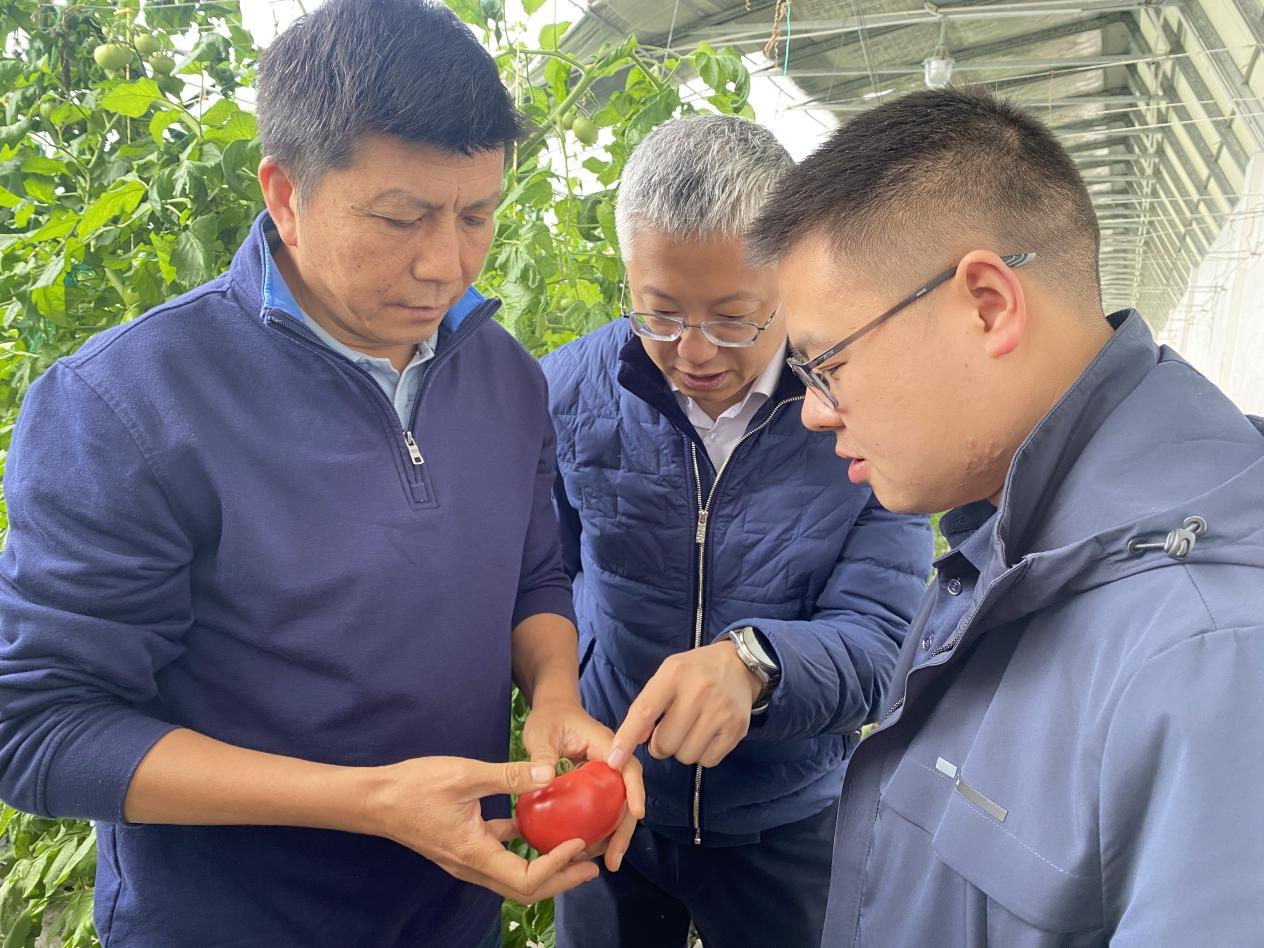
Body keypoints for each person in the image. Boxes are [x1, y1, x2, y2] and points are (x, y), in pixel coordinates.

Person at [0, 2, 642, 946]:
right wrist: (369, 802)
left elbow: (533, 572)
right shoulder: (127, 404)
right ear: (285, 194)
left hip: (451, 913)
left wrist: (554, 694)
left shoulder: (503, 375)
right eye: (400, 218)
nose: (446, 265)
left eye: (477, 215)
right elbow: (39, 728)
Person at [747, 86, 1264, 946]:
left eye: (825, 365)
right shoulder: (1011, 542)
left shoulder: (1209, 655)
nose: (814, 411)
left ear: (988, 305)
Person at [540, 114, 933, 948]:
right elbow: (545, 575)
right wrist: (566, 687)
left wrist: (758, 665)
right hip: (615, 802)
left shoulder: (866, 410)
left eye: (733, 319)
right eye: (659, 314)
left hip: (784, 820)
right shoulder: (565, 392)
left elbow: (887, 642)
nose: (693, 351)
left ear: (789, 276)